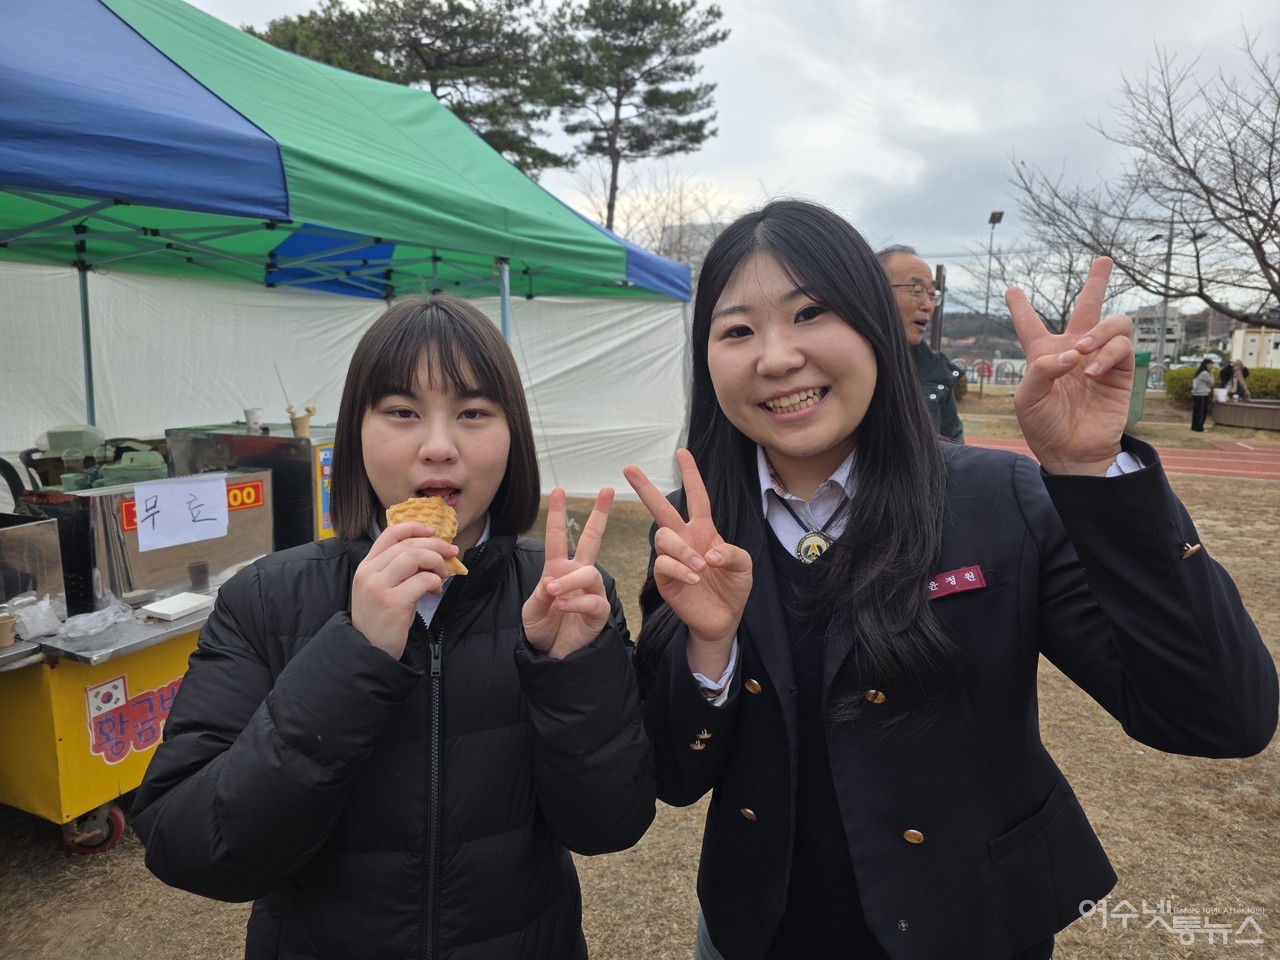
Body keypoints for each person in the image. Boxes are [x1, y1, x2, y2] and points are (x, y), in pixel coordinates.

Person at [622, 200, 1276, 960]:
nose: (775, 357)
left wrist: (1095, 475)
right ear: (706, 360)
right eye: (737, 330)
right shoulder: (690, 528)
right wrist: (710, 648)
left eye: (810, 315)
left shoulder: (1000, 499)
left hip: (974, 925)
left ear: (873, 328)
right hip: (757, 932)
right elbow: (673, 772)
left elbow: (1221, 717)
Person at [132, 296, 654, 960]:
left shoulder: (565, 597)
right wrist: (354, 655)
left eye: (473, 413)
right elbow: (189, 847)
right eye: (402, 412)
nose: (438, 447)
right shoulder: (263, 599)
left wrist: (571, 675)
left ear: (511, 434)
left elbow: (609, 827)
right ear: (355, 432)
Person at [877, 244, 964, 441]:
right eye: (916, 290)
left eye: (932, 294)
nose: (928, 305)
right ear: (873, 291)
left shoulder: (938, 374)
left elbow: (957, 456)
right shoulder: (838, 363)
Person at [1191, 357, 1215, 431]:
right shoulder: (1205, 373)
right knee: (1202, 412)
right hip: (1201, 394)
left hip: (1197, 394)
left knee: (1196, 412)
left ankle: (1194, 426)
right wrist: (1211, 373)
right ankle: (1199, 427)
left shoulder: (1199, 372)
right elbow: (1212, 382)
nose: (1211, 366)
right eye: (1210, 365)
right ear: (1206, 365)